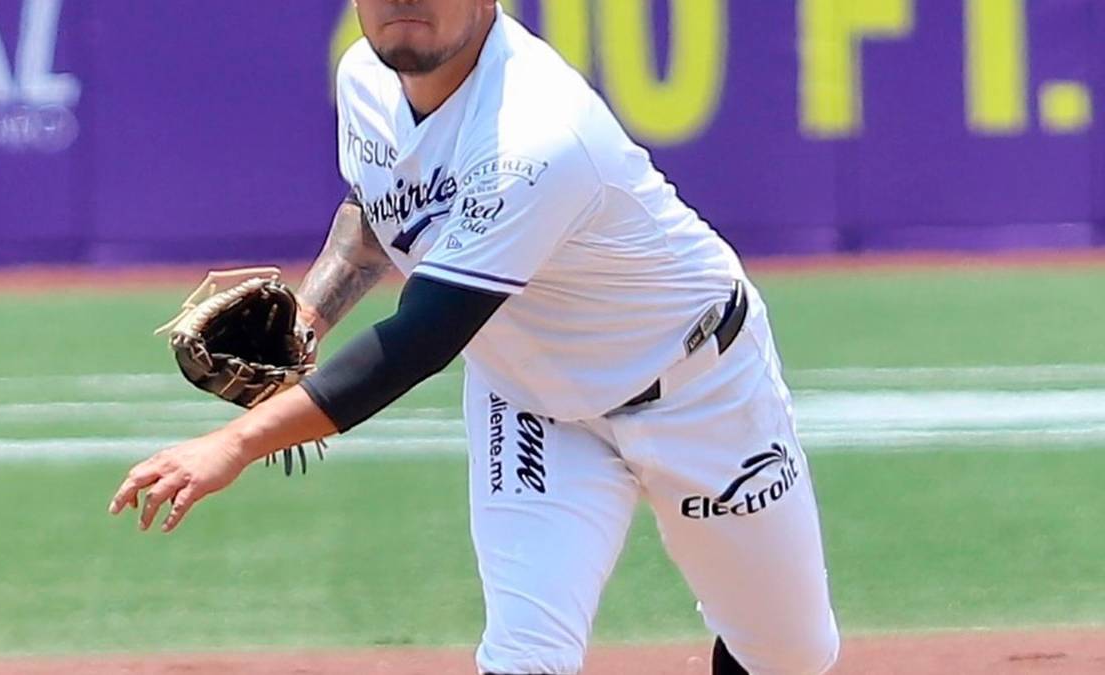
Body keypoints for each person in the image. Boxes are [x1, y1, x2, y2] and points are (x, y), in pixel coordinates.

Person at [108, 1, 840, 673]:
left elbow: (422, 338)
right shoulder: (366, 74)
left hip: (696, 390)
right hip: (530, 401)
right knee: (525, 657)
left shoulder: (537, 132)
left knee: (789, 656)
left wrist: (236, 443)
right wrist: (308, 316)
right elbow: (380, 208)